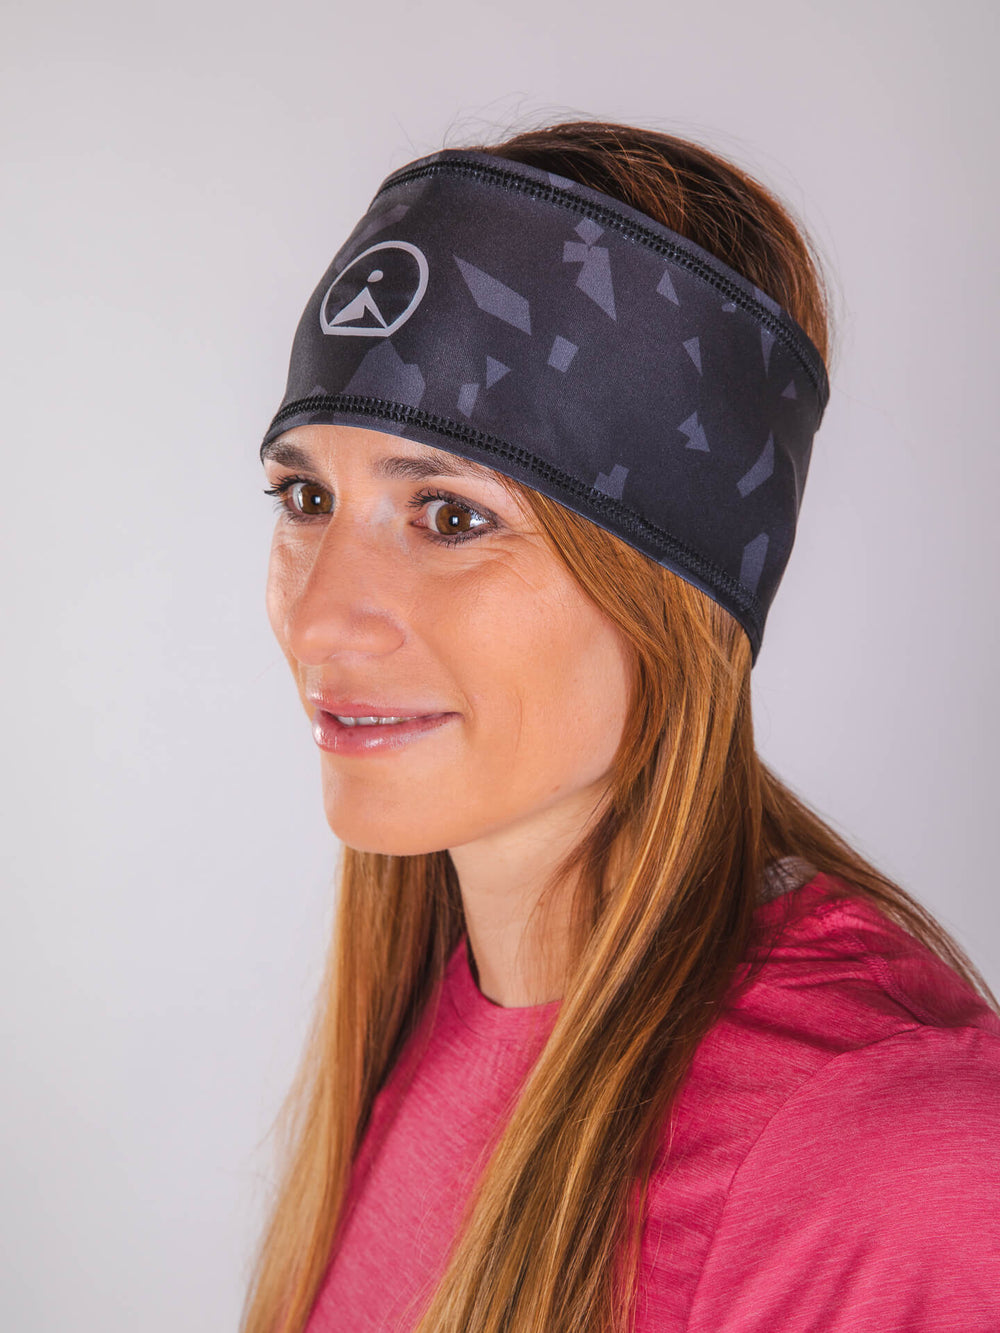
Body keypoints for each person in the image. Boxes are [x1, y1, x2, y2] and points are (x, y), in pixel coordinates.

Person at [242, 120, 1000, 1333]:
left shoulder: (888, 1157)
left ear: (673, 590)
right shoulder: (433, 1008)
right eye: (304, 496)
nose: (321, 616)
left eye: (449, 516)